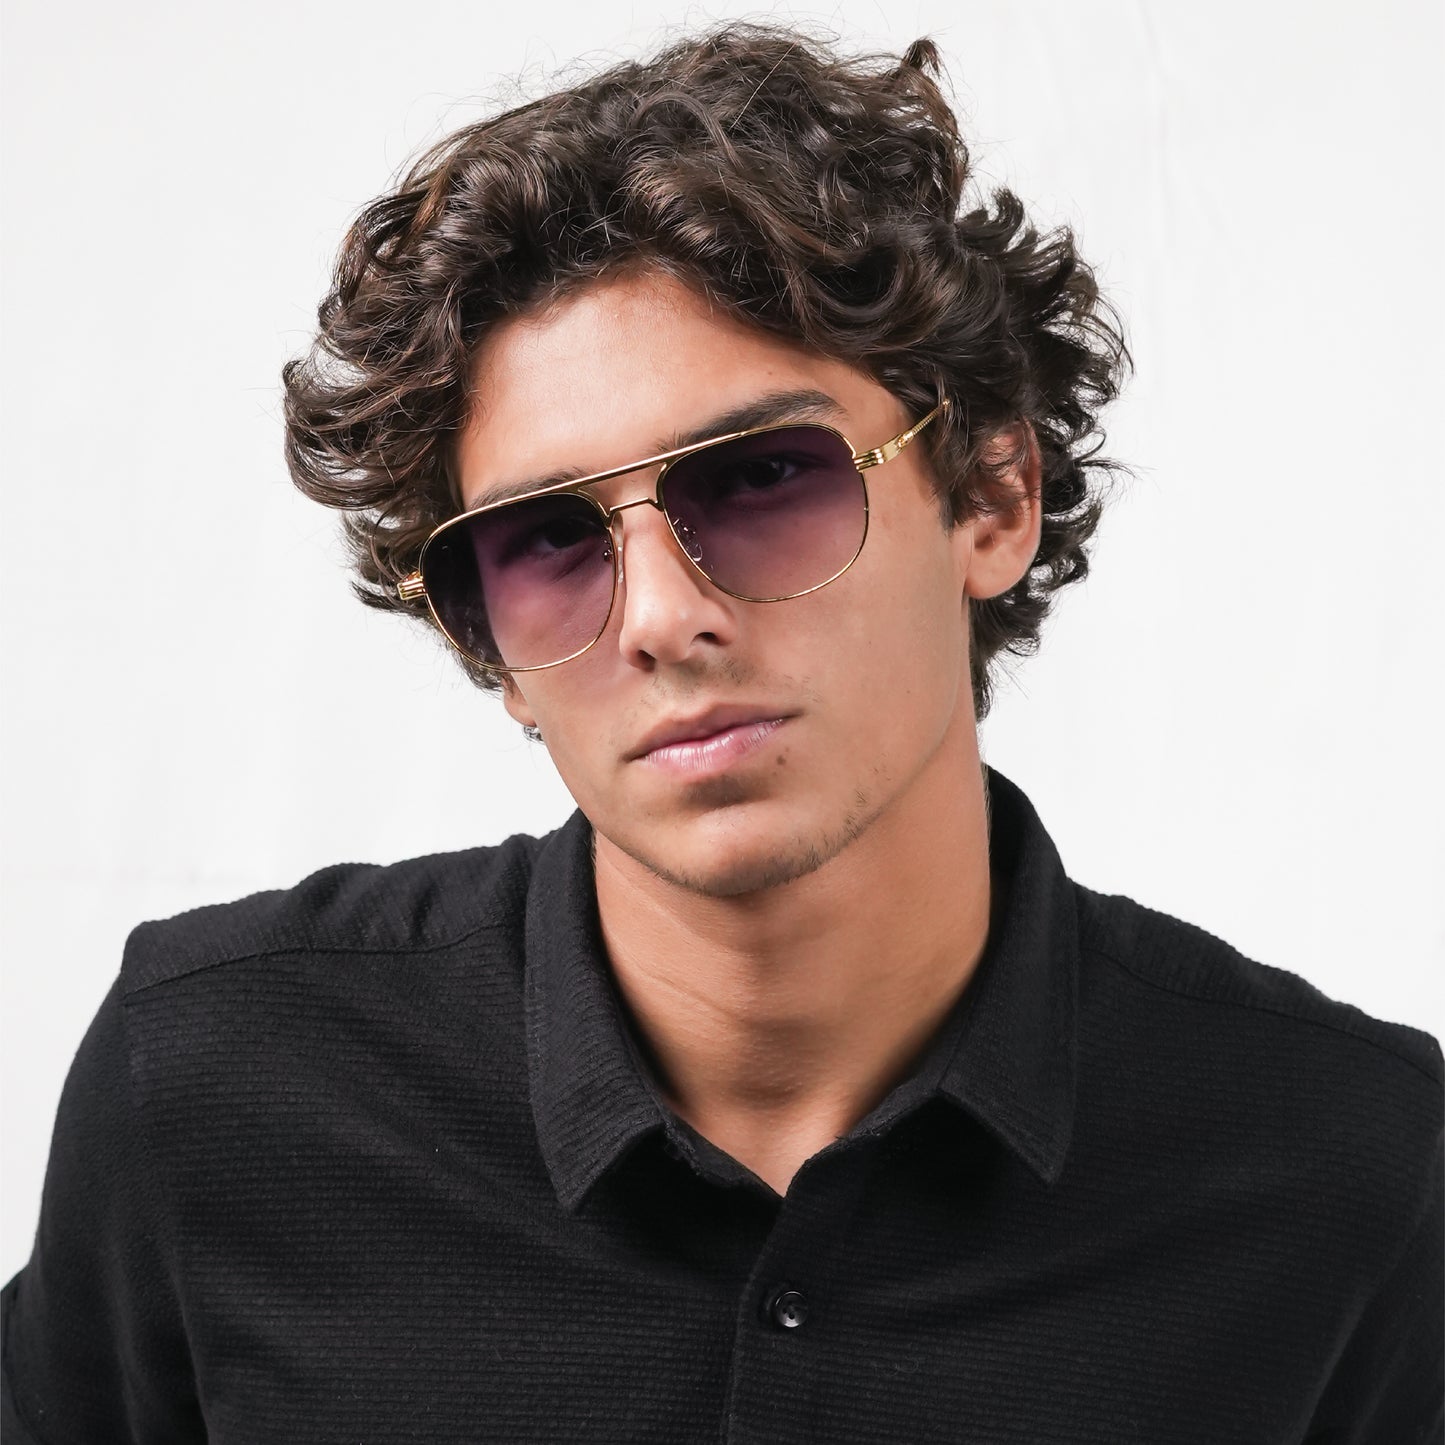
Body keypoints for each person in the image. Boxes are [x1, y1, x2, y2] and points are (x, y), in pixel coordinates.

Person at [3, 22, 1440, 1443]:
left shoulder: (1353, 1171)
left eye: (760, 479)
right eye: (547, 541)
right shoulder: (213, 1088)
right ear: (488, 647)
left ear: (992, 498)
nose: (658, 617)